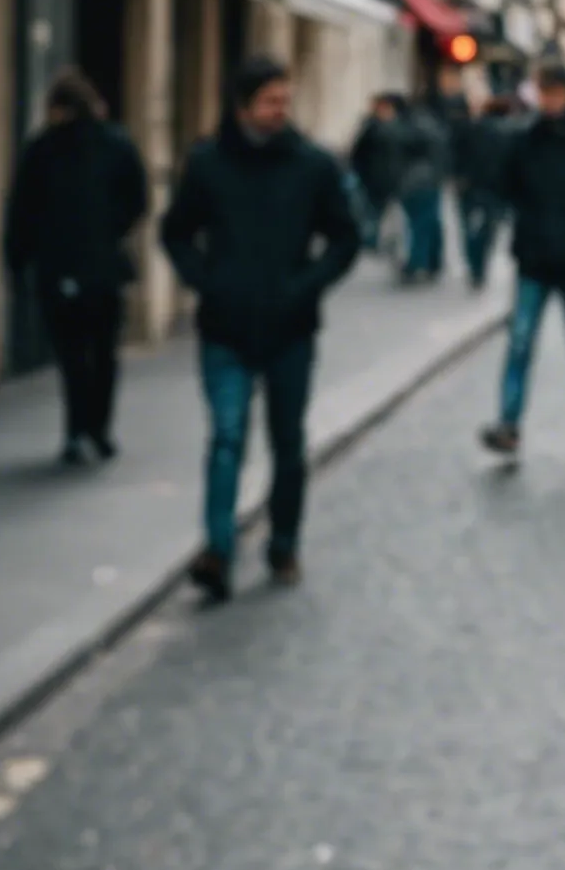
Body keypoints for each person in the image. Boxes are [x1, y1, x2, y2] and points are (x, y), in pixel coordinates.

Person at [160, 55, 360, 600]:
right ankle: (217, 550)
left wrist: (307, 285)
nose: (280, 110)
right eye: (270, 101)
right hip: (225, 325)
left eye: (285, 101)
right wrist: (205, 281)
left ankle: (285, 542)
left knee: (287, 441)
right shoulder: (207, 164)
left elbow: (345, 237)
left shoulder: (313, 166)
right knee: (226, 438)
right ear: (243, 105)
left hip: (290, 328)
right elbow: (175, 231)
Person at [4, 71, 150, 464]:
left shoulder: (41, 149)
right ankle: (99, 429)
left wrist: (17, 261)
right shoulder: (117, 144)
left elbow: (22, 211)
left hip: (58, 268)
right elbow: (138, 200)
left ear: (57, 108)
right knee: (103, 353)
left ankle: (76, 430)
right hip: (104, 268)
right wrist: (111, 230)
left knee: (72, 356)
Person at [482, 64, 565, 461]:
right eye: (545, 93)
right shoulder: (523, 140)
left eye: (557, 93)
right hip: (535, 258)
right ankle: (508, 424)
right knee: (520, 342)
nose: (551, 101)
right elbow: (504, 186)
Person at [453, 94, 518, 291]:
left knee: (470, 229)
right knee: (488, 231)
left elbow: (457, 155)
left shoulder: (472, 128)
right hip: (495, 191)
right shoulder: (511, 132)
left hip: (471, 187)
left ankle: (474, 267)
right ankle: (479, 268)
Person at [393, 92, 453, 282]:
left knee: (420, 224)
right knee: (428, 222)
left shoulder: (408, 128)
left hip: (417, 182)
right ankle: (431, 262)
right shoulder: (430, 127)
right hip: (427, 181)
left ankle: (418, 263)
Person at [346, 94, 405, 259]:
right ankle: (370, 241)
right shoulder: (372, 128)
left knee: (381, 212)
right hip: (371, 178)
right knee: (371, 212)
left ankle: (377, 240)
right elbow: (358, 153)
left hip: (387, 178)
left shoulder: (396, 127)